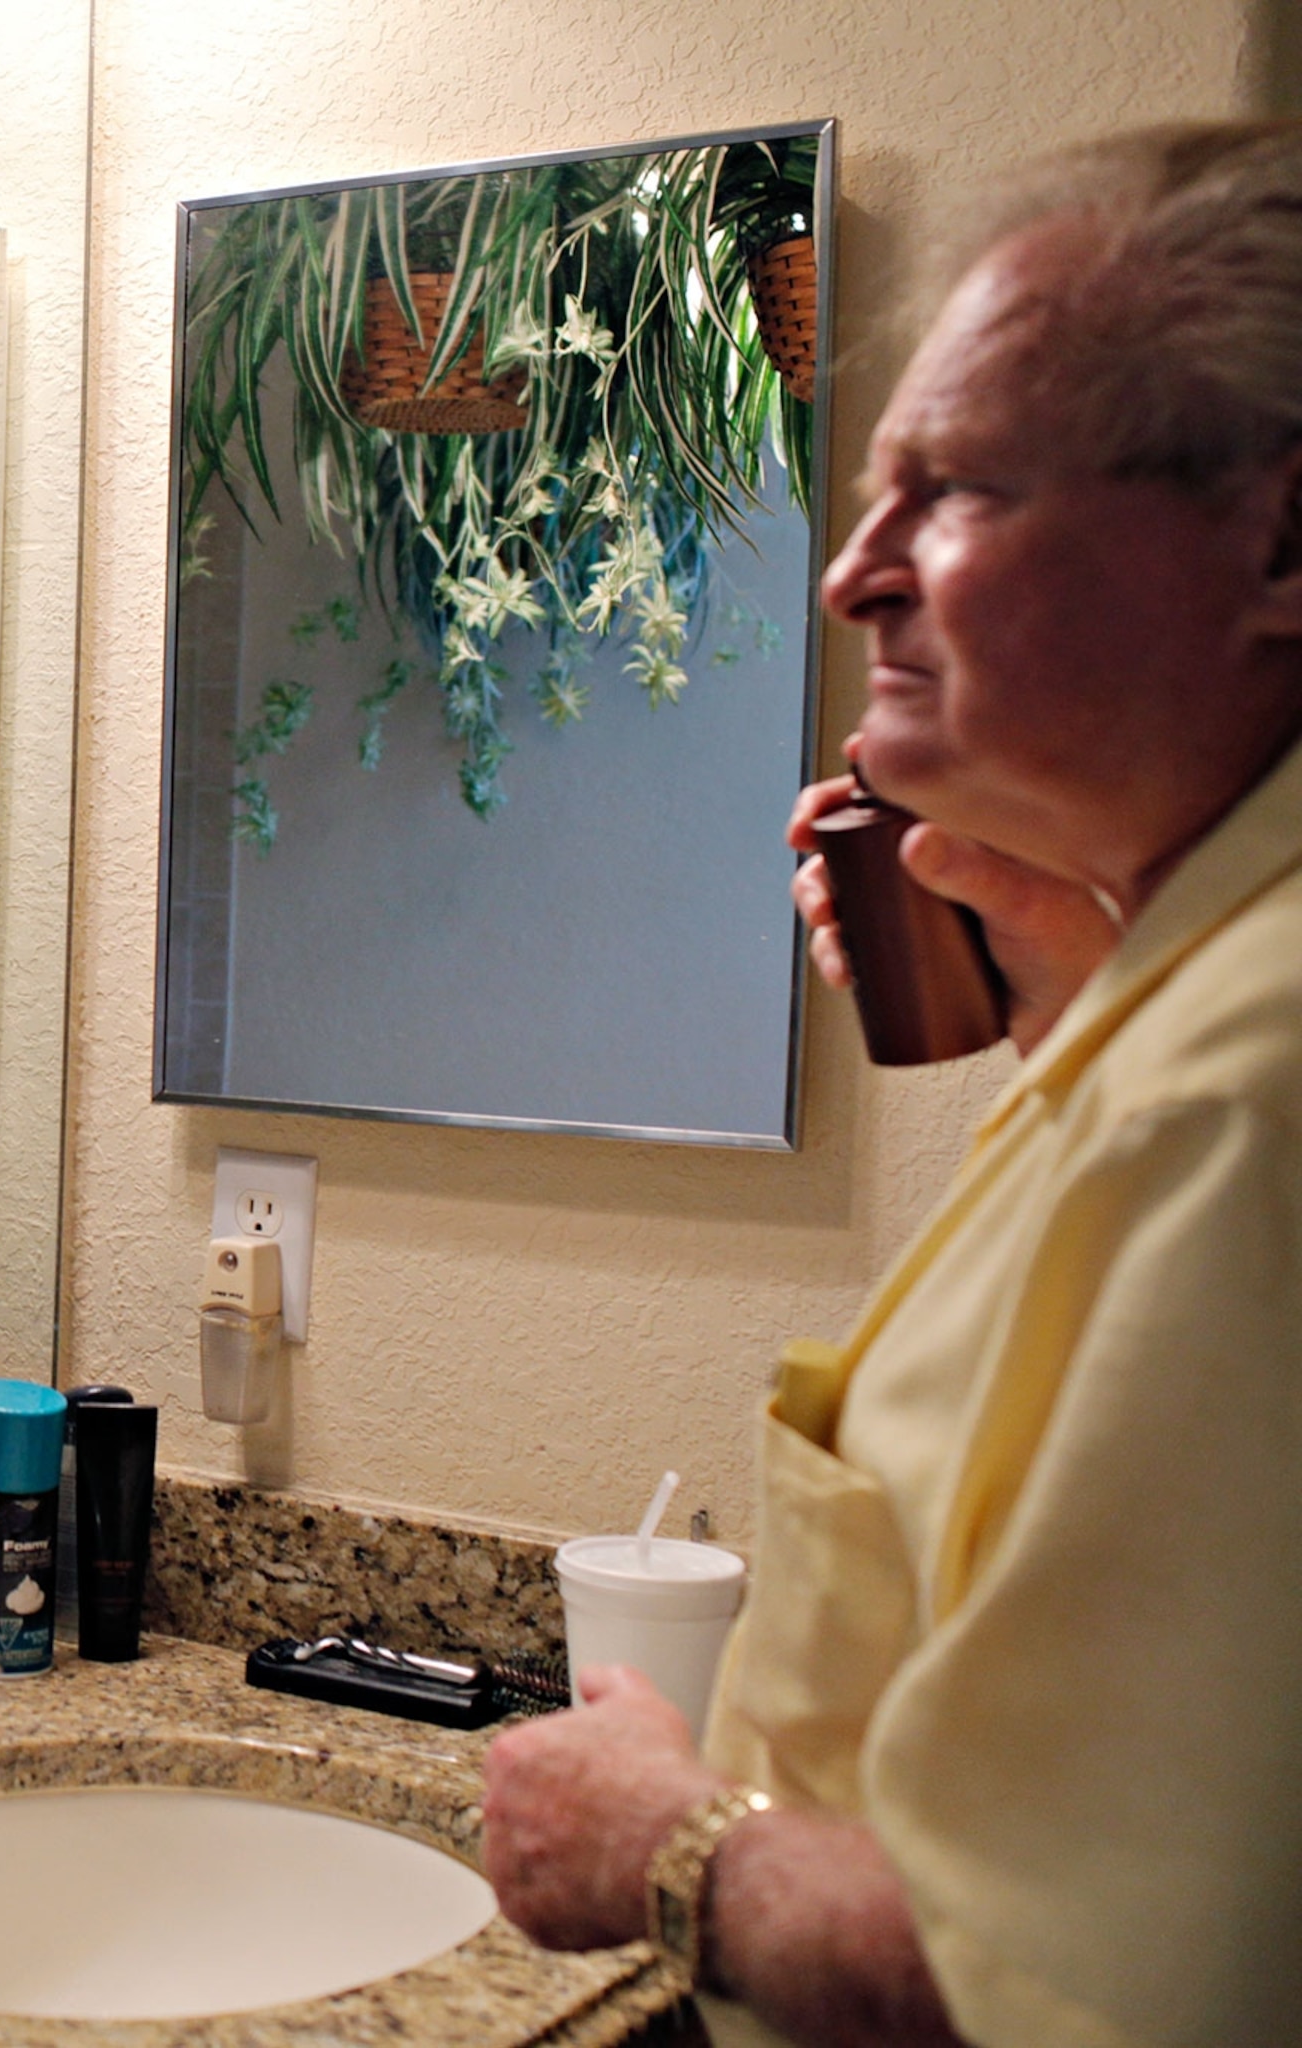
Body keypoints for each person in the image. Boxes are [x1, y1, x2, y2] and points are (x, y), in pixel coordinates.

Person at [480, 121, 1302, 2048]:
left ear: (1277, 542)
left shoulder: (1236, 1108)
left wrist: (675, 1844)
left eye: (948, 491)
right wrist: (1072, 995)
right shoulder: (1181, 1027)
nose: (850, 575)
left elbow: (1106, 1997)